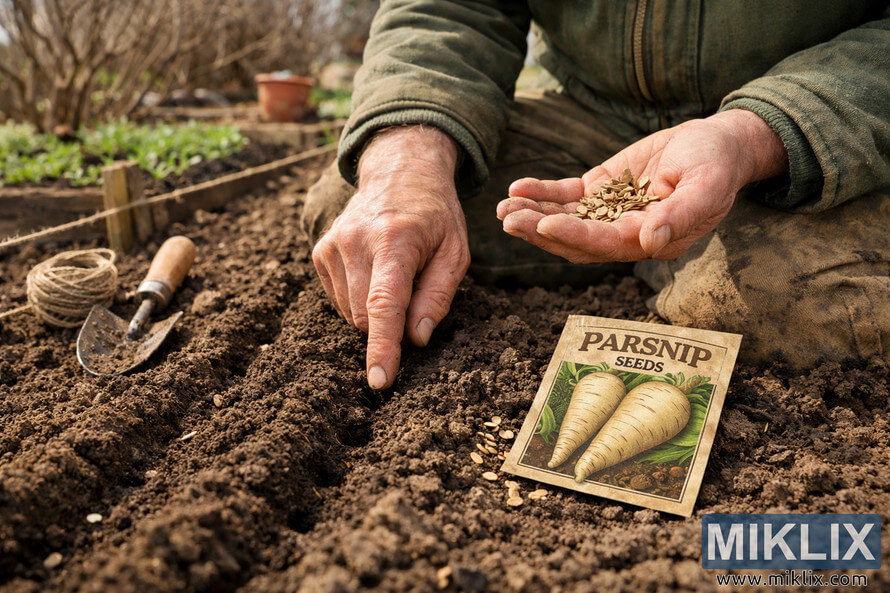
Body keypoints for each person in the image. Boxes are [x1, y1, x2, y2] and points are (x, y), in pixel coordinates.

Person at [302, 1, 890, 390]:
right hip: (593, 118)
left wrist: (755, 133)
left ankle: (701, 252)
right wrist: (408, 155)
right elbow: (449, 9)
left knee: (791, 304)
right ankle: (677, 256)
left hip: (803, 127)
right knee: (372, 218)